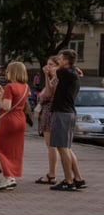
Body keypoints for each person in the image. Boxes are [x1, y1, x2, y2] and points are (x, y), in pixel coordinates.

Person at [49, 49, 86, 191]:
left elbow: (53, 70)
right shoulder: (73, 73)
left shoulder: (65, 72)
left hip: (62, 113)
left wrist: (51, 67)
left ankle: (68, 181)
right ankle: (78, 178)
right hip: (69, 112)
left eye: (60, 58)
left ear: (65, 60)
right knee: (67, 148)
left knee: (62, 148)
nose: (58, 60)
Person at [0, 61, 29, 191]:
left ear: (13, 72)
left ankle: (8, 177)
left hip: (8, 121)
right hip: (20, 119)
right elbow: (15, 102)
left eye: (7, 70)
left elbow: (6, 106)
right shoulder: (25, 87)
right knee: (13, 150)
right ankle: (11, 175)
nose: (6, 73)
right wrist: (2, 93)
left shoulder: (10, 86)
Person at [34, 56, 59, 184]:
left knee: (51, 146)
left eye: (51, 65)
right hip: (46, 113)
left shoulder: (55, 80)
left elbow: (48, 94)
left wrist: (46, 76)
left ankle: (52, 174)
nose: (48, 67)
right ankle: (51, 173)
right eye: (47, 64)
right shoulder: (53, 79)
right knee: (50, 146)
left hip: (50, 114)